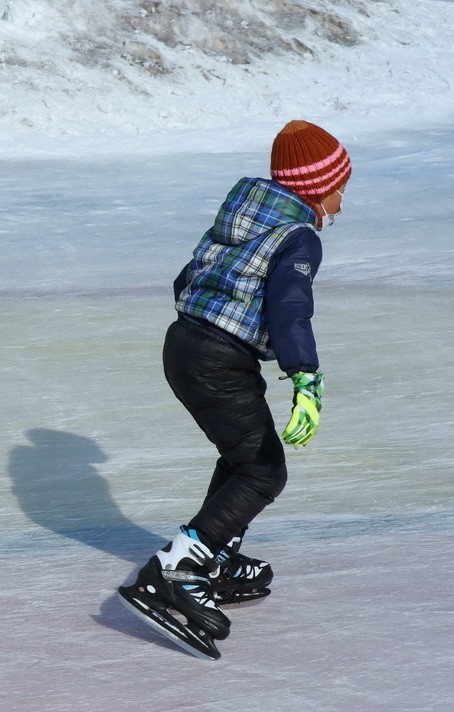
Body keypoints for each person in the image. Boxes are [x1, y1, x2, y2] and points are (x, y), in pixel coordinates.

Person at [119, 120, 351, 660]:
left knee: (241, 456)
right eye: (341, 189)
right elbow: (290, 309)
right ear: (318, 189)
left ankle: (215, 557)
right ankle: (175, 571)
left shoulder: (240, 218)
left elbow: (187, 278)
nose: (343, 202)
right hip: (219, 361)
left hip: (185, 344)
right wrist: (305, 377)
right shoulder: (298, 237)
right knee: (264, 471)